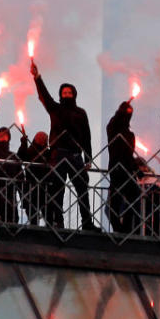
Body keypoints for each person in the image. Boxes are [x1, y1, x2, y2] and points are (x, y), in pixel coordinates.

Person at [30, 60, 97, 231]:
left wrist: (88, 157)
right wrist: (37, 77)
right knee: (57, 190)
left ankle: (87, 223)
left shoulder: (81, 113)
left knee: (82, 189)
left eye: (69, 92)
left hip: (75, 154)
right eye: (64, 92)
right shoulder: (55, 109)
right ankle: (57, 222)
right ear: (61, 95)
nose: (67, 94)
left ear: (74, 94)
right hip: (58, 153)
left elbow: (86, 136)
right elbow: (44, 95)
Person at [106, 101, 142, 235]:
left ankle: (126, 228)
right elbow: (113, 122)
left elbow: (129, 155)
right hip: (116, 169)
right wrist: (123, 106)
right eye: (126, 112)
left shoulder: (130, 135)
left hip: (127, 170)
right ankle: (118, 229)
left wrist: (137, 170)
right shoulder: (113, 129)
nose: (128, 115)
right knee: (115, 202)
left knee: (134, 196)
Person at [17, 130, 52, 226]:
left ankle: (48, 227)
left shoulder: (47, 153)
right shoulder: (30, 151)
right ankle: (35, 227)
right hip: (32, 185)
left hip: (44, 187)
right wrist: (23, 143)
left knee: (47, 213)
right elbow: (20, 157)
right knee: (33, 212)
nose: (42, 139)